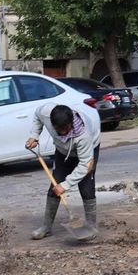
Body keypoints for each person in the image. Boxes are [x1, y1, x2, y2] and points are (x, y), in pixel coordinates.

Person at [26, 103, 99, 240]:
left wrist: (65, 185)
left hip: (87, 152)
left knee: (86, 188)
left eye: (66, 128)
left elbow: (85, 165)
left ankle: (91, 228)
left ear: (71, 122)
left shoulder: (84, 135)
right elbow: (37, 114)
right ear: (52, 124)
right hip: (62, 151)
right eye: (59, 129)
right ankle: (46, 227)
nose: (64, 132)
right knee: (54, 187)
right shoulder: (46, 113)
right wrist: (34, 135)